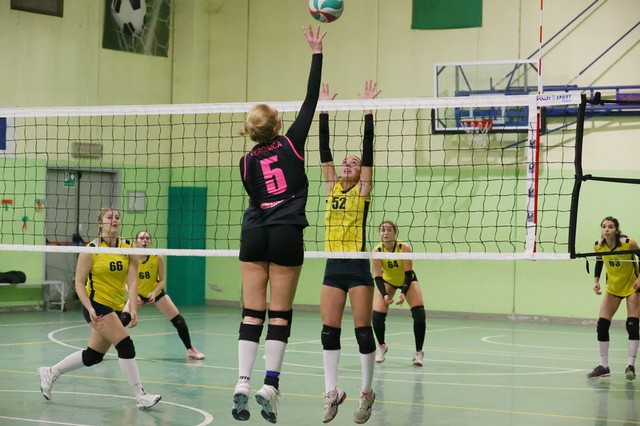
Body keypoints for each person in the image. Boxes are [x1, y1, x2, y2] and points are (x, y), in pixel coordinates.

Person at [231, 25, 326, 424]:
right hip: (286, 231)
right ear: (276, 125)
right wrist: (316, 53)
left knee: (252, 312)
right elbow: (311, 100)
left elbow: (257, 195)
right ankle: (270, 384)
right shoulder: (291, 143)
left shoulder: (245, 162)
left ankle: (241, 381)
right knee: (280, 313)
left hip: (254, 231)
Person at [37, 207, 161, 408]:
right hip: (96, 305)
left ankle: (50, 372)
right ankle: (140, 395)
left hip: (116, 305)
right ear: (100, 223)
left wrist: (133, 309)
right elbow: (79, 283)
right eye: (109, 217)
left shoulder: (128, 248)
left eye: (117, 217)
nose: (114, 220)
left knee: (93, 356)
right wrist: (89, 307)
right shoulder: (91, 249)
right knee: (125, 345)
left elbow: (132, 281)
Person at [319, 80, 381, 424]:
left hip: (357, 267)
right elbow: (324, 151)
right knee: (329, 332)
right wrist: (324, 110)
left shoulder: (363, 191)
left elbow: (368, 152)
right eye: (345, 163)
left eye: (353, 163)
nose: (347, 165)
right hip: (332, 265)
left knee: (362, 332)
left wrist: (368, 112)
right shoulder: (331, 187)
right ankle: (332, 392)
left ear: (360, 172)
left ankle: (367, 393)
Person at [120, 230, 205, 360]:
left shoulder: (157, 257)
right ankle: (101, 349)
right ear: (136, 242)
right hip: (137, 294)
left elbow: (163, 280)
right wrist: (133, 294)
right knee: (123, 320)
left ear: (150, 242)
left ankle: (190, 350)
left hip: (156, 293)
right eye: (141, 238)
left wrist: (154, 292)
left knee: (179, 321)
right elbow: (124, 281)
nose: (145, 240)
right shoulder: (131, 258)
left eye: (147, 238)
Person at [588, 216, 640, 380]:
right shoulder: (598, 245)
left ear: (616, 230)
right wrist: (596, 281)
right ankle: (604, 366)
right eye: (604, 226)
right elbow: (599, 261)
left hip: (632, 287)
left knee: (632, 325)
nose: (606, 229)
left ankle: (630, 366)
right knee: (602, 325)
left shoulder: (628, 243)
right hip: (613, 288)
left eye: (610, 227)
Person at [372, 220, 426, 366]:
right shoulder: (377, 251)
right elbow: (378, 276)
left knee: (419, 314)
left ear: (395, 233)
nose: (386, 233)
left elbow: (408, 273)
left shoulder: (404, 248)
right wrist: (385, 294)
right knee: (377, 315)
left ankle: (419, 352)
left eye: (389, 230)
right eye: (383, 230)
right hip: (387, 281)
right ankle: (381, 346)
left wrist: (403, 292)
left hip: (407, 280)